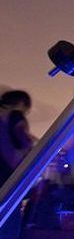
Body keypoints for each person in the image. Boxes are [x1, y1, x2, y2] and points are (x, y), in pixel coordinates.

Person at [0, 90, 34, 238]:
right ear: (21, 103)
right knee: (10, 220)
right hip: (9, 177)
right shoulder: (15, 116)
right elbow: (23, 140)